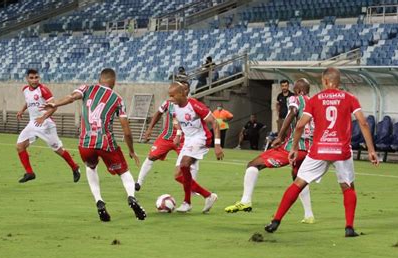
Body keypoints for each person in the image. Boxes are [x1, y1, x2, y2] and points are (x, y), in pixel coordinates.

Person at [264, 68, 379, 237]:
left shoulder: (315, 99)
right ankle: (349, 227)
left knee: (298, 183)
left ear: (325, 81)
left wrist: (294, 148)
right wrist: (371, 150)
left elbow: (300, 125)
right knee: (348, 187)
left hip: (319, 149)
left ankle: (276, 221)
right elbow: (363, 123)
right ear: (338, 81)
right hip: (341, 150)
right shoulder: (350, 98)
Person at [41, 68, 147, 222]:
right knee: (124, 172)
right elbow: (127, 130)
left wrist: (54, 103)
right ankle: (131, 197)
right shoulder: (117, 99)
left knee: (91, 168)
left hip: (85, 143)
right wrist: (131, 150)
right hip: (106, 143)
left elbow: (71, 97)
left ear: (99, 79)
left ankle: (99, 201)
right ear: (114, 81)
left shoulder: (87, 88)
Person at [225, 79, 315, 223]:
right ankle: (309, 215)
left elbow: (292, 112)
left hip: (294, 147)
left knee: (253, 164)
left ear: (298, 91)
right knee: (299, 178)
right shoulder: (314, 102)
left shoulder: (295, 98)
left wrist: (279, 136)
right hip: (310, 149)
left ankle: (246, 200)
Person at [15, 69, 80, 184]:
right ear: (27, 79)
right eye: (32, 78)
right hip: (33, 123)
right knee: (20, 146)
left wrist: (43, 117)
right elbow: (28, 101)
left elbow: (54, 106)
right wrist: (22, 110)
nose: (34, 80)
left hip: (46, 124)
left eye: (36, 77)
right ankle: (30, 173)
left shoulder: (43, 90)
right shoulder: (25, 90)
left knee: (58, 150)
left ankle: (75, 167)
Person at [169, 82, 224, 213]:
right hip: (188, 140)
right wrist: (178, 135)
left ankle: (187, 203)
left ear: (182, 94)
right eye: (169, 96)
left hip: (201, 138)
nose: (170, 98)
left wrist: (217, 145)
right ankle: (208, 196)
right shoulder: (174, 106)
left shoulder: (194, 105)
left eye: (172, 95)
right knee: (178, 175)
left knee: (184, 164)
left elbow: (214, 122)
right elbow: (177, 121)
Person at [135, 81, 199, 191]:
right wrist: (149, 128)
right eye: (181, 88)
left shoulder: (193, 104)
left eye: (185, 89)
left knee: (191, 162)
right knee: (151, 157)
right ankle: (138, 183)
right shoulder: (168, 103)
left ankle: (192, 188)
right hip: (166, 136)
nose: (183, 91)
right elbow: (158, 113)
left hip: (184, 139)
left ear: (188, 90)